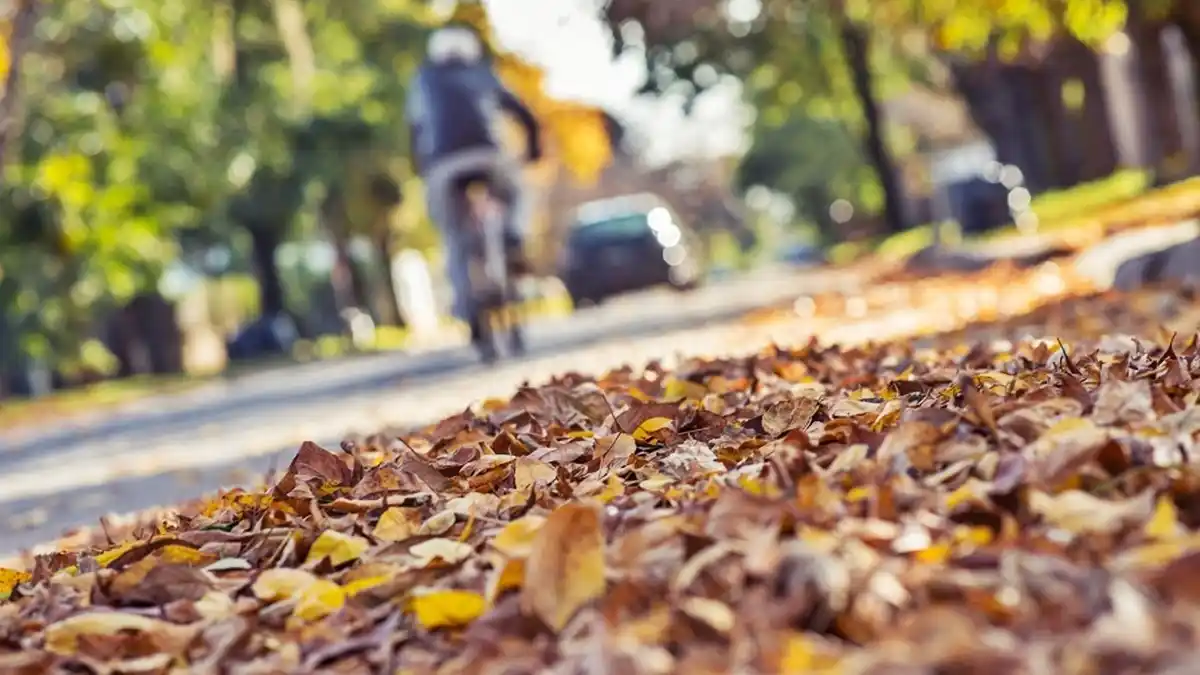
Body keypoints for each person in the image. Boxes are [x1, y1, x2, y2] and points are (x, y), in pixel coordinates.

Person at [405, 24, 542, 343]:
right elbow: (522, 112)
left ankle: (467, 307)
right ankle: (512, 233)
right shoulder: (483, 72)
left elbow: (414, 128)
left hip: (443, 164)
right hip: (489, 154)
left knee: (452, 235)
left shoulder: (423, 79)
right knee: (517, 191)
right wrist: (534, 148)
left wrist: (421, 168)